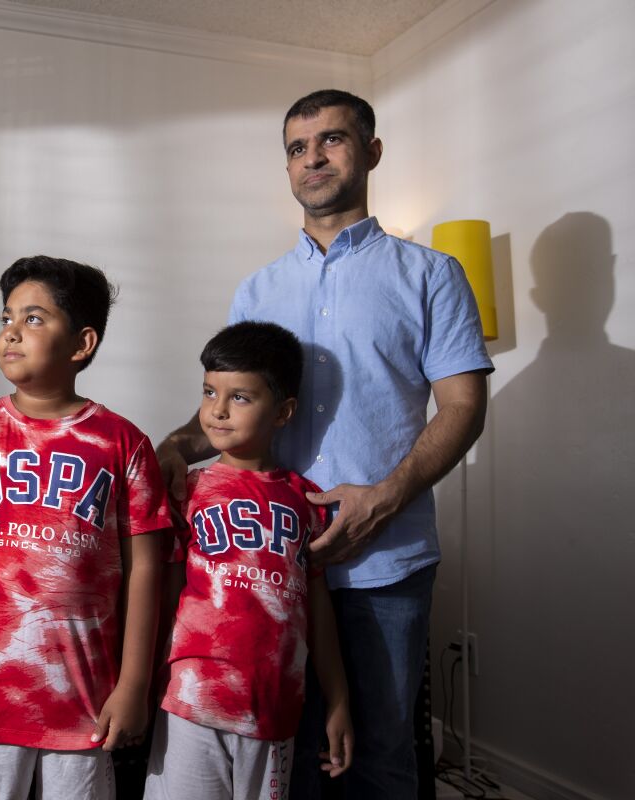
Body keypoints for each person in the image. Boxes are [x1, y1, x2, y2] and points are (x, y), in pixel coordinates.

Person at [156, 90, 493, 798]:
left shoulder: (432, 275)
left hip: (385, 565)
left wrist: (381, 501)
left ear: (370, 152)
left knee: (382, 757)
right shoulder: (257, 289)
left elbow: (463, 407)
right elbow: (224, 413)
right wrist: (167, 451)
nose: (313, 158)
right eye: (297, 147)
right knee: (286, 756)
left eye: (332, 140)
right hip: (264, 568)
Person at [0, 256, 172, 800]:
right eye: (6, 317)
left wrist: (134, 685)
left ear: (81, 344)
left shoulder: (123, 444)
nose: (11, 331)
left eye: (34, 319)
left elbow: (145, 571)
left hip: (82, 704)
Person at [144, 321, 352, 800]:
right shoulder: (189, 491)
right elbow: (167, 590)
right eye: (209, 392)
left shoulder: (306, 501)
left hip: (274, 706)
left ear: (283, 411)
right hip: (192, 698)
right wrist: (147, 678)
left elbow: (316, 607)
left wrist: (338, 700)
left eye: (240, 397)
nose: (216, 410)